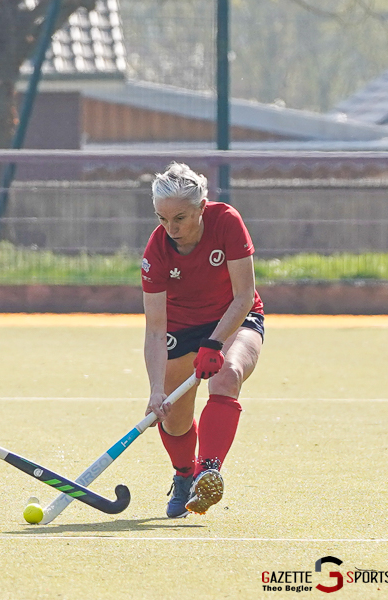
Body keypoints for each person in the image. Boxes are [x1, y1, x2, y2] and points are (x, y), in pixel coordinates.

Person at [140, 162, 265, 518]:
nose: (170, 228)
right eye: (162, 219)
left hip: (234, 317)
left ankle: (206, 471)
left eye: (179, 217)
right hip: (180, 327)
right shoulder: (156, 251)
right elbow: (154, 329)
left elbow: (244, 296)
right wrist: (154, 391)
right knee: (174, 419)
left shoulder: (226, 221)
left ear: (201, 206)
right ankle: (183, 475)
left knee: (228, 374)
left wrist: (214, 343)